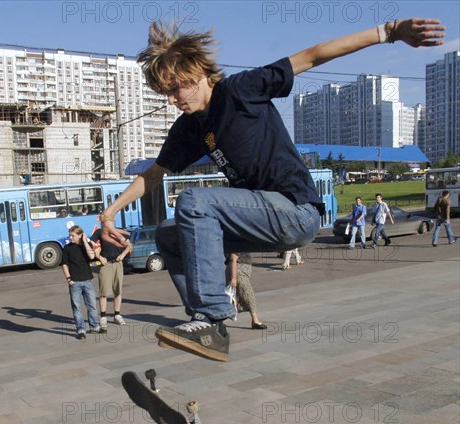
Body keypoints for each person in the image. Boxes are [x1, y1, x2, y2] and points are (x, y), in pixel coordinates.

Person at [99, 18, 445, 362]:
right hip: (261, 222)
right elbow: (154, 174)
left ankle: (211, 316)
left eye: (177, 89)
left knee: (193, 201)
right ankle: (207, 326)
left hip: (295, 211)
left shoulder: (239, 91)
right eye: (166, 93)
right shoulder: (188, 129)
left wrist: (387, 32)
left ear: (200, 73)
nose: (173, 100)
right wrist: (110, 213)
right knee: (168, 235)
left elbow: (311, 56)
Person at [61, 226, 101, 340]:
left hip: (87, 280)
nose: (70, 237)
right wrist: (69, 279)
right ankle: (81, 329)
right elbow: (64, 264)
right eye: (70, 235)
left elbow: (92, 256)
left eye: (73, 235)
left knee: (92, 305)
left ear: (80, 235)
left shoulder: (85, 246)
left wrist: (85, 241)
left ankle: (94, 326)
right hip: (75, 282)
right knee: (77, 308)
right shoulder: (67, 248)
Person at [90, 227, 131, 330]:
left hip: (118, 263)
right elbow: (90, 245)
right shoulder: (100, 231)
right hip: (106, 264)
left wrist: (123, 255)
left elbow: (129, 245)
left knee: (118, 291)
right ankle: (103, 317)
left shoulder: (120, 231)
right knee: (103, 292)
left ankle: (117, 315)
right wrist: (99, 257)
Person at [227, 253, 267, 330]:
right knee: (248, 295)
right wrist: (233, 278)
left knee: (239, 299)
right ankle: (255, 320)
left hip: (239, 271)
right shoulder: (236, 241)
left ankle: (218, 320)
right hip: (238, 272)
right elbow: (233, 258)